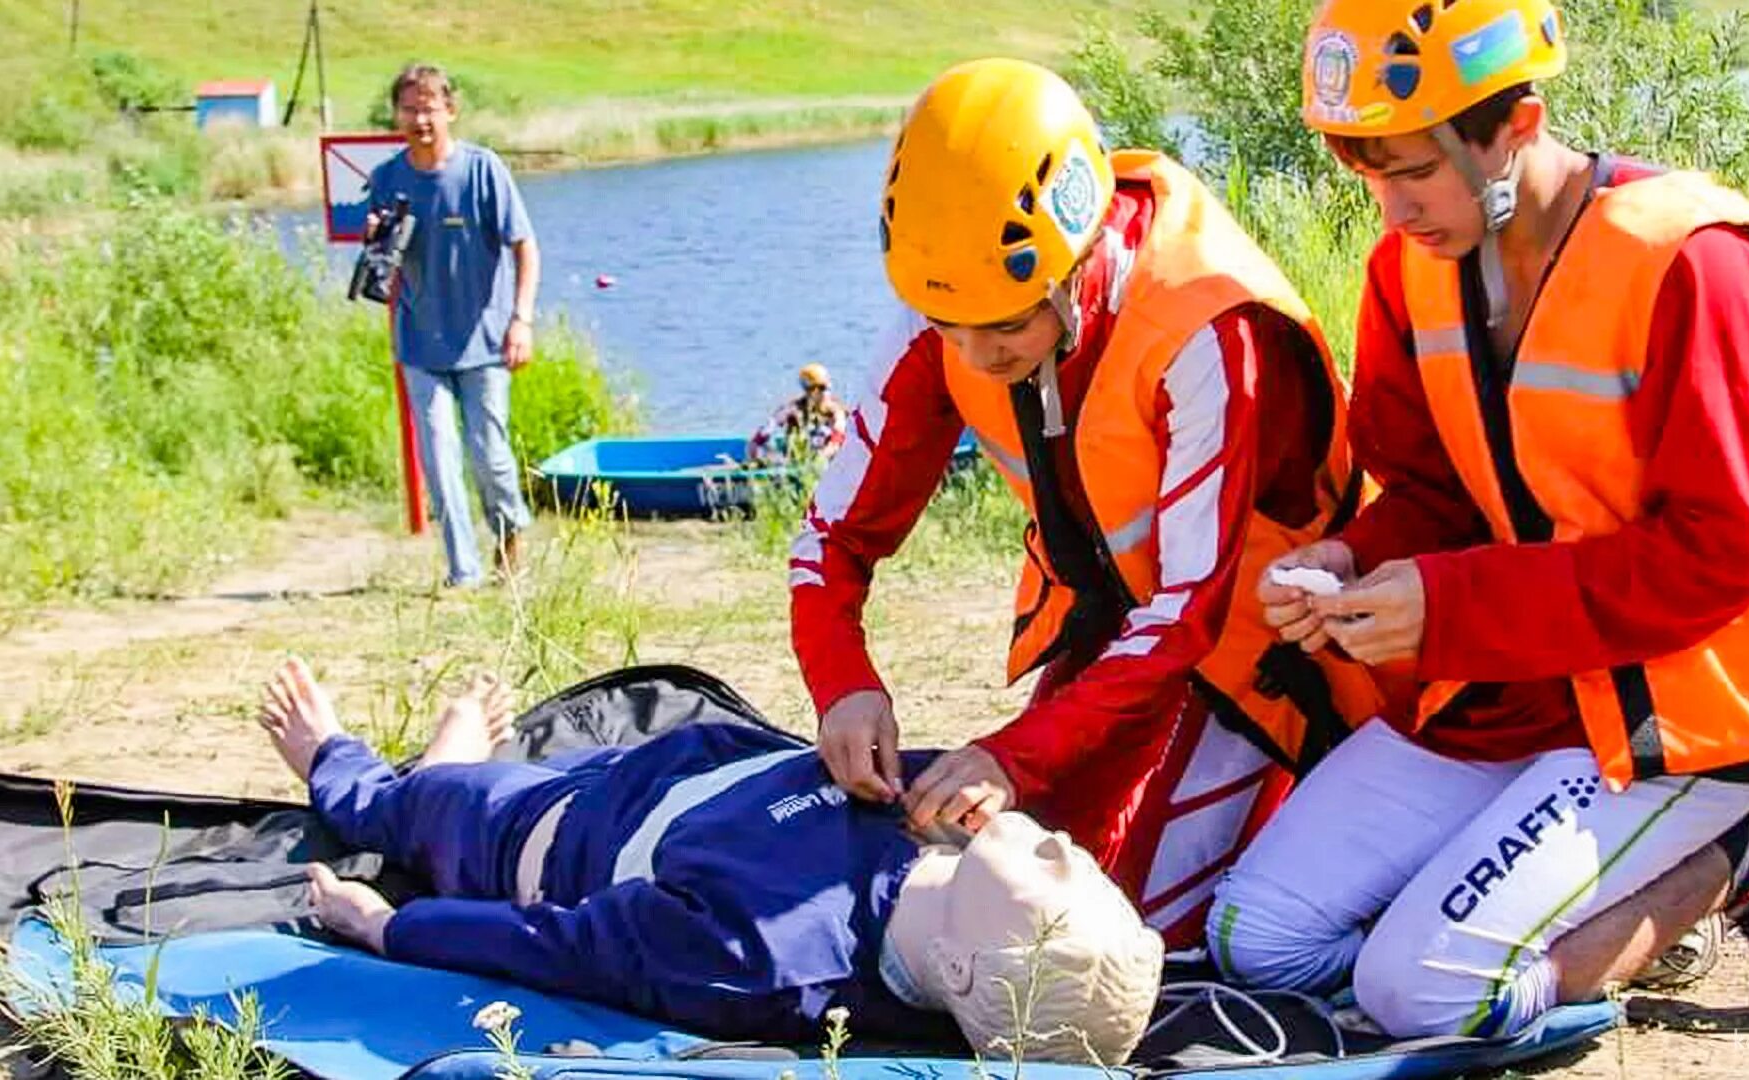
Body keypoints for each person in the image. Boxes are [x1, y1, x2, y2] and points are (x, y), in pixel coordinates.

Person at [1210, 0, 1749, 1040]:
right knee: (1255, 937)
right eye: (1367, 173)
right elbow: (1435, 497)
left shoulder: (1691, 261)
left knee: (1422, 996)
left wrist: (1445, 606)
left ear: (1517, 123)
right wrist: (1353, 558)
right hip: (1511, 688)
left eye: (1413, 169)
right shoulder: (1408, 269)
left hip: (1681, 709)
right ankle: (1589, 901)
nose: (1393, 210)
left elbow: (1718, 560)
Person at [789, 58, 1385, 951]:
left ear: (1081, 248)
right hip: (1119, 636)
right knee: (999, 883)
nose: (976, 354)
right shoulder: (954, 295)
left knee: (1120, 936)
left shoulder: (1208, 330)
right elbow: (830, 539)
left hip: (1267, 657)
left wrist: (1013, 753)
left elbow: (1190, 616)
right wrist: (843, 686)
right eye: (951, 328)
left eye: (1006, 326)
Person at [258, 657, 1161, 1062]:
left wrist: (388, 925)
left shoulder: (758, 958)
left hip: (550, 829)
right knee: (470, 787)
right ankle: (462, 766)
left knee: (404, 808)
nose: (1063, 845)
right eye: (1080, 864)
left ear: (963, 964)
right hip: (686, 767)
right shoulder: (963, 824)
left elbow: (557, 946)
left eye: (1050, 885)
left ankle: (360, 760)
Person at [368, 63, 541, 587]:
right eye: (410, 108)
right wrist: (377, 240)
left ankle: (510, 539)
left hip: (486, 342)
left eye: (429, 107)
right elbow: (381, 268)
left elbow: (526, 248)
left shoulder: (483, 170)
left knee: (489, 456)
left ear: (450, 111)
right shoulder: (386, 179)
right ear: (396, 115)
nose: (420, 118)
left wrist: (521, 320)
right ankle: (462, 571)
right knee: (440, 460)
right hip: (420, 344)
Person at [747, 363, 850, 465]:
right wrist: (756, 451)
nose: (823, 393)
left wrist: (817, 462)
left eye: (824, 388)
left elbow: (835, 444)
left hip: (825, 462)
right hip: (796, 460)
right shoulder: (792, 409)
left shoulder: (837, 412)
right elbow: (760, 437)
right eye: (814, 389)